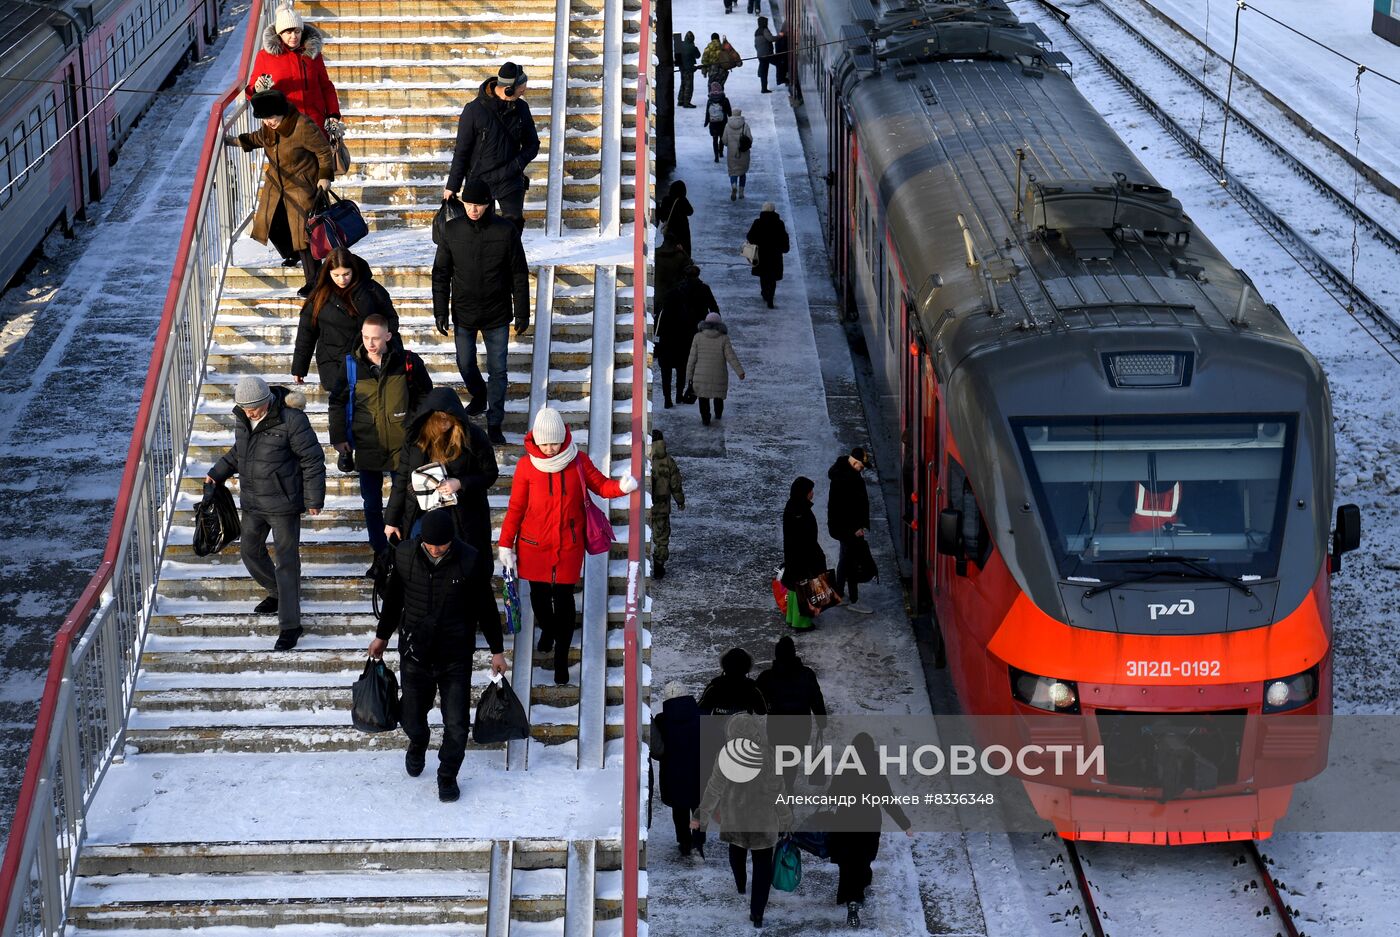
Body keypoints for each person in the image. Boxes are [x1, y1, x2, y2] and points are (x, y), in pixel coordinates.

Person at [368, 509, 507, 803]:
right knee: (410, 717)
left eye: (441, 546)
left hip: (454, 656)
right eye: (430, 545)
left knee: (456, 724)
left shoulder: (469, 560)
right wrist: (382, 636)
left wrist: (497, 651)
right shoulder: (405, 555)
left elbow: (486, 608)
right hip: (415, 652)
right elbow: (393, 600)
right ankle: (418, 741)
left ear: (451, 542)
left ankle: (447, 775)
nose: (434, 550)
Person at [498, 407, 638, 685]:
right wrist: (505, 544)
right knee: (539, 599)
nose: (550, 449)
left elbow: (601, 486)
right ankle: (547, 630)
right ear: (535, 441)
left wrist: (622, 486)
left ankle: (560, 659)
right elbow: (516, 508)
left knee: (564, 602)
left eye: (554, 442)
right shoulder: (526, 466)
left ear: (563, 438)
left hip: (568, 546)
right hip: (533, 545)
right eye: (544, 443)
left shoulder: (578, 461)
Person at [205, 376, 325, 650]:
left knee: (286, 563)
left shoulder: (292, 420)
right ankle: (278, 592)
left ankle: (290, 626)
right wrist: (217, 474)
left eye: (254, 410)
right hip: (253, 502)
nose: (249, 414)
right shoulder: (243, 418)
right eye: (245, 410)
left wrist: (314, 498)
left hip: (283, 504)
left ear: (267, 402)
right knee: (249, 551)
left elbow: (312, 459)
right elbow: (241, 453)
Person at [432, 179, 531, 445]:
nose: (474, 210)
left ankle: (495, 420)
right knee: (465, 362)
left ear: (489, 204)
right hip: (463, 311)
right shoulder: (452, 230)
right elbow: (441, 273)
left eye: (479, 205)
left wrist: (522, 312)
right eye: (469, 204)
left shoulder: (506, 230)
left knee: (498, 370)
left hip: (497, 311)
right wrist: (439, 311)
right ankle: (479, 394)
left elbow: (518, 273)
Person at [329, 315, 432, 555]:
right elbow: (337, 401)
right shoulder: (351, 364)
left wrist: (414, 427)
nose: (370, 343)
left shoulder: (407, 361)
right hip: (367, 442)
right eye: (366, 337)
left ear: (388, 336)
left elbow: (426, 396)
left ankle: (404, 551)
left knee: (407, 502)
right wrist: (338, 437)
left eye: (375, 338)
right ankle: (380, 552)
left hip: (403, 444)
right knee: (372, 505)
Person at [225, 89, 333, 296]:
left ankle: (314, 282)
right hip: (277, 185)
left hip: (302, 185)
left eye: (271, 118)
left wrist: (325, 176)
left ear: (282, 112)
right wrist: (234, 141)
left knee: (304, 235)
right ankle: (293, 252)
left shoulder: (303, 125)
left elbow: (323, 151)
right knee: (270, 224)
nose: (268, 122)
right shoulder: (269, 127)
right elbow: (259, 138)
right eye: (264, 119)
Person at [691, 714, 791, 929]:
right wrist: (785, 819)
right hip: (762, 822)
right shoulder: (769, 756)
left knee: (736, 853)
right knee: (763, 866)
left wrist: (701, 816)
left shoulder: (725, 755)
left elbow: (714, 789)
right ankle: (757, 913)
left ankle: (740, 884)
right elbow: (778, 790)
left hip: (735, 819)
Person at [383, 387, 499, 563]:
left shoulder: (473, 436)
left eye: (448, 420)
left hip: (462, 516)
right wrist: (391, 520)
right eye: (438, 420)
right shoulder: (415, 438)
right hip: (420, 512)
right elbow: (401, 480)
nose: (444, 425)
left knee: (459, 567)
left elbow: (490, 474)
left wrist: (460, 483)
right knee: (419, 565)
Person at [827, 731, 914, 926]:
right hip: (869, 823)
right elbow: (888, 801)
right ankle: (857, 895)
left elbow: (832, 796)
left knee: (847, 861)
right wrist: (905, 824)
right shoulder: (876, 771)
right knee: (862, 860)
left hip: (845, 821)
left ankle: (848, 897)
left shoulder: (844, 769)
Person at [443, 62, 540, 230]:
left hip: (510, 179)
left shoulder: (522, 108)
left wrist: (517, 164)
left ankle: (509, 256)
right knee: (483, 230)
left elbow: (532, 144)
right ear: (508, 89)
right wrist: (453, 185)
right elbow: (462, 151)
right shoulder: (474, 110)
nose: (524, 91)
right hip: (480, 179)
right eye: (521, 88)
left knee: (514, 225)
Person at [291, 248, 400, 398]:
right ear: (328, 273)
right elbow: (306, 332)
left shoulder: (371, 290)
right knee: (340, 407)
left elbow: (391, 319)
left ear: (353, 270)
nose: (342, 280)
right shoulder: (319, 295)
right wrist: (299, 367)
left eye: (346, 274)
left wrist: (382, 339)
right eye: (336, 275)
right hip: (333, 361)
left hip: (369, 358)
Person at [246, 4, 341, 137]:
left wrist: (333, 114)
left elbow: (326, 86)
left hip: (315, 124)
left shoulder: (312, 54)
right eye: (288, 32)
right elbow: (250, 91)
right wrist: (257, 89)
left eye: (297, 31)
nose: (293, 36)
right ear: (279, 34)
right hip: (284, 128)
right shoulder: (265, 56)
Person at [755, 635, 827, 788]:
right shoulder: (807, 674)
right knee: (791, 759)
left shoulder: (767, 677)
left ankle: (781, 788)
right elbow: (816, 698)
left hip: (776, 726)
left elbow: (757, 704)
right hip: (801, 727)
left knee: (779, 757)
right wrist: (822, 720)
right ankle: (787, 788)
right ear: (794, 653)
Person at [651, 682, 706, 857]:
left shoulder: (661, 720)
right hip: (699, 771)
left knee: (679, 810)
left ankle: (684, 842)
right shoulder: (702, 716)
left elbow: (658, 750)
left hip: (673, 774)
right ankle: (698, 841)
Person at [656, 264, 718, 408]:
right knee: (683, 366)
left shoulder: (674, 291)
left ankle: (667, 399)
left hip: (669, 337)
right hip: (691, 333)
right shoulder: (704, 289)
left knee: (666, 370)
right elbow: (714, 309)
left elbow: (660, 316)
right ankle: (679, 394)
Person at [828, 446, 874, 614]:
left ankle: (840, 593)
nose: (862, 470)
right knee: (851, 561)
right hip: (848, 529)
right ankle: (854, 599)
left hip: (841, 527)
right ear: (854, 462)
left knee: (845, 558)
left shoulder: (842, 473)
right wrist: (856, 528)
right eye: (861, 467)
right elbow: (847, 509)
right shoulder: (848, 479)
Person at [781, 476, 827, 631]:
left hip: (793, 556)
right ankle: (802, 623)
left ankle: (791, 618)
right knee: (804, 587)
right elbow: (807, 539)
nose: (812, 494)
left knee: (794, 587)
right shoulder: (802, 511)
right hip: (803, 557)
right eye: (810, 491)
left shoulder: (791, 506)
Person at [685, 312, 746, 426]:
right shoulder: (724, 338)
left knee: (703, 397)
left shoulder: (698, 337)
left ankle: (705, 418)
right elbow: (731, 356)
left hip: (700, 375)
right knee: (718, 395)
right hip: (719, 374)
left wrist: (689, 376)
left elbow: (692, 358)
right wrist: (740, 372)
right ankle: (718, 414)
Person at [649, 430, 685, 579]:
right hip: (662, 505)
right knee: (662, 536)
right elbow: (675, 483)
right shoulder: (668, 461)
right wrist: (680, 501)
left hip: (646, 503)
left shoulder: (646, 459)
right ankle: (659, 564)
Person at [698, 647, 768, 717]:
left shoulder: (714, 686)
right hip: (743, 727)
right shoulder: (752, 688)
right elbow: (761, 711)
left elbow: (700, 710)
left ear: (725, 665)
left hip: (717, 726)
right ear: (747, 667)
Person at [746, 202, 790, 308]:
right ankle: (771, 296)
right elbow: (784, 238)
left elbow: (750, 236)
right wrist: (784, 248)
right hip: (775, 255)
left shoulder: (757, 222)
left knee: (763, 276)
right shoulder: (779, 223)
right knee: (772, 277)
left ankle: (765, 293)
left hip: (761, 254)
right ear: (774, 210)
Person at [721, 109, 753, 201]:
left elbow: (724, 140)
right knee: (742, 173)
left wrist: (730, 145)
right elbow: (750, 139)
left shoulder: (727, 126)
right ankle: (741, 193)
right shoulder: (745, 125)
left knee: (733, 171)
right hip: (744, 153)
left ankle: (734, 186)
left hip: (732, 154)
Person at [657, 179, 694, 257]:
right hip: (683, 231)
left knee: (670, 249)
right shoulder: (682, 200)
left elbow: (662, 217)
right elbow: (690, 212)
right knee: (684, 252)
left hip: (670, 230)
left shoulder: (666, 199)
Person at [654, 230, 690, 308]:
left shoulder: (656, 253)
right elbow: (690, 265)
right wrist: (683, 251)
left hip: (659, 286)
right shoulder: (679, 255)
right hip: (674, 287)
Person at [703, 82, 732, 163]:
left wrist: (706, 122)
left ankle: (716, 156)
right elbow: (729, 112)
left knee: (714, 139)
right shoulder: (725, 99)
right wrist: (730, 116)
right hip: (723, 122)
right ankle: (721, 152)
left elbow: (707, 112)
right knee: (722, 138)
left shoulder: (710, 100)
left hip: (713, 123)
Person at [677, 31, 701, 108]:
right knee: (689, 86)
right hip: (689, 69)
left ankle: (680, 100)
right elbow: (698, 55)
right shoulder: (692, 47)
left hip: (682, 67)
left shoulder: (680, 44)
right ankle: (686, 102)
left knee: (683, 83)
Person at [754, 17, 776, 93]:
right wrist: (780, 36)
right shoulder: (764, 30)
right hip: (767, 54)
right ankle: (783, 78)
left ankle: (763, 88)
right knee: (780, 62)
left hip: (760, 54)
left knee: (764, 71)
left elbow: (755, 45)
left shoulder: (757, 32)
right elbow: (770, 39)